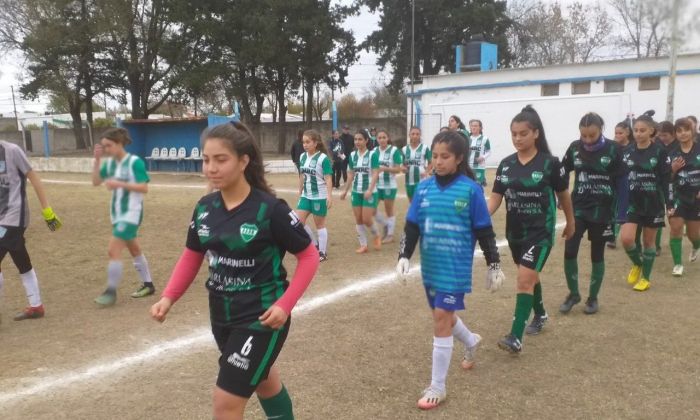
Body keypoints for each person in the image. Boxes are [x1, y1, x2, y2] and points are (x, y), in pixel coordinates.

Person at [150, 121, 319, 420]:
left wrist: (285, 305)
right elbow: (192, 255)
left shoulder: (270, 210)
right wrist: (168, 297)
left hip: (262, 318)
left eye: (220, 159)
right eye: (206, 159)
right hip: (222, 315)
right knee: (265, 383)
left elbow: (308, 256)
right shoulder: (204, 208)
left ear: (244, 161)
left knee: (225, 401)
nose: (211, 167)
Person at [396, 130, 505, 410]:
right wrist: (404, 255)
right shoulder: (423, 188)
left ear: (459, 159)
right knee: (443, 316)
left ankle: (438, 386)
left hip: (454, 268)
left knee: (441, 319)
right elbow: (412, 226)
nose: (438, 161)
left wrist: (494, 263)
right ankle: (471, 341)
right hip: (430, 267)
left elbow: (484, 230)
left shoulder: (470, 190)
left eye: (445, 156)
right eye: (434, 156)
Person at [488, 105, 574, 353]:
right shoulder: (505, 165)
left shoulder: (550, 163)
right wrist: (478, 217)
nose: (517, 138)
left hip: (540, 231)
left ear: (535, 133)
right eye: (513, 134)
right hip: (515, 232)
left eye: (523, 133)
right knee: (529, 275)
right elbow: (495, 198)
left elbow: (564, 195)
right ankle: (541, 314)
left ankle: (515, 337)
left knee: (524, 278)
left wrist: (571, 221)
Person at [559, 113, 624, 315]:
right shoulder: (574, 148)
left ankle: (593, 298)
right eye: (584, 135)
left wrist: (622, 212)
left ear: (601, 130)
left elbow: (623, 181)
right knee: (569, 250)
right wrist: (559, 197)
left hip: (603, 210)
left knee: (597, 253)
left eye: (592, 135)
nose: (587, 140)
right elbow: (562, 171)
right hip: (578, 207)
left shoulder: (614, 149)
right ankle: (573, 294)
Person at [92, 127, 154, 306]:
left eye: (109, 146)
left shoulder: (135, 162)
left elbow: (144, 188)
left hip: (131, 214)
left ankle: (110, 292)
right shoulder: (110, 164)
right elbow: (96, 182)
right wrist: (97, 161)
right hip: (117, 215)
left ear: (119, 144)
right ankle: (148, 285)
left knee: (113, 250)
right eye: (104, 147)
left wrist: (119, 183)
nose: (106, 150)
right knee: (134, 249)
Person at [0, 140, 61, 322]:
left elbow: (34, 178)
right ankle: (36, 306)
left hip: (15, 216)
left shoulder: (12, 151)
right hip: (2, 218)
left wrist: (47, 210)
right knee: (21, 259)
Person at [620, 110, 672, 292]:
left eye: (642, 130)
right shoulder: (626, 152)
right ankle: (637, 263)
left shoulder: (660, 152)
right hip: (632, 203)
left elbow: (666, 180)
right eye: (636, 130)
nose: (638, 133)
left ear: (651, 131)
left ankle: (646, 278)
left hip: (653, 203)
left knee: (649, 242)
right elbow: (620, 177)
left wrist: (670, 204)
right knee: (626, 239)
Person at [667, 118, 700, 276]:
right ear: (676, 134)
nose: (683, 133)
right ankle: (678, 264)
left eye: (686, 130)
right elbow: (666, 178)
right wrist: (672, 170)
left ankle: (696, 246)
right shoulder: (672, 154)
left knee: (695, 234)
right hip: (678, 196)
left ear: (692, 131)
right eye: (679, 131)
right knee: (676, 227)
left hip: (696, 198)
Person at [340, 129, 381, 253]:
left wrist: (369, 189)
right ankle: (363, 245)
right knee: (358, 219)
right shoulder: (352, 155)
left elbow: (375, 174)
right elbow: (351, 174)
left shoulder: (372, 155)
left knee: (366, 219)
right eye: (355, 139)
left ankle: (376, 235)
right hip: (356, 192)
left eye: (360, 139)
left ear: (366, 140)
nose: (357, 142)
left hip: (370, 191)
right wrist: (346, 191)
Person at [296, 129, 333, 262]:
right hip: (306, 195)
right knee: (298, 222)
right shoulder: (302, 157)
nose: (305, 145)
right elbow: (302, 174)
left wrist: (329, 196)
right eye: (303, 142)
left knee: (320, 225)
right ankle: (314, 244)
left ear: (315, 143)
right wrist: (300, 189)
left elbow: (328, 178)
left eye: (308, 142)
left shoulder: (323, 158)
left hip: (319, 196)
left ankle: (322, 252)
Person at [606, 120, 635, 249]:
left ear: (628, 133)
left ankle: (623, 234)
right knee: (612, 208)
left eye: (620, 133)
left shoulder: (633, 148)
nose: (617, 135)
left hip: (629, 182)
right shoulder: (612, 148)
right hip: (613, 182)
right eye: (616, 133)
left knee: (623, 209)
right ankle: (612, 236)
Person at [374, 130, 403, 243]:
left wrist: (384, 168)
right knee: (371, 208)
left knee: (389, 210)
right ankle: (386, 225)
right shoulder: (374, 151)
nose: (381, 139)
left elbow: (398, 169)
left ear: (388, 138)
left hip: (389, 185)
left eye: (384, 137)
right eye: (379, 137)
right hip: (376, 185)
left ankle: (390, 235)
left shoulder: (394, 150)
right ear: (377, 139)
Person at [402, 127, 433, 203]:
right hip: (408, 180)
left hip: (421, 180)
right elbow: (403, 165)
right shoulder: (404, 149)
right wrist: (403, 168)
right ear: (409, 135)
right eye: (413, 134)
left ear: (420, 135)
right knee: (411, 203)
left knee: (420, 202)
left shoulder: (424, 148)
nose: (415, 136)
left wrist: (426, 172)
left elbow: (431, 162)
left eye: (417, 134)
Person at [468, 119, 491, 187]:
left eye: (475, 126)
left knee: (478, 186)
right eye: (472, 126)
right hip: (468, 166)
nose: (473, 127)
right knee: (469, 185)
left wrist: (483, 157)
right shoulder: (467, 138)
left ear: (480, 127)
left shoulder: (484, 139)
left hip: (479, 167)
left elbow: (489, 151)